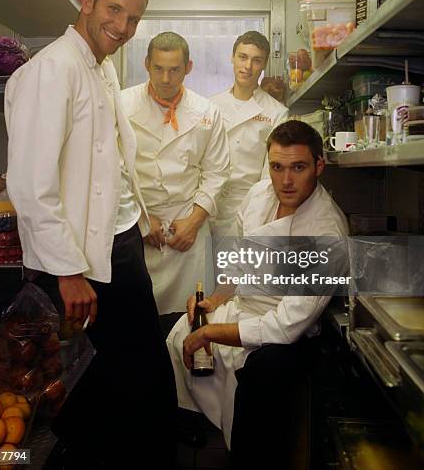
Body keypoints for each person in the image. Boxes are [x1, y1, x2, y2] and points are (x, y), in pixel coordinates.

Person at [5, 0, 177, 469]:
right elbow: (32, 184)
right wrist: (68, 271)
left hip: (117, 246)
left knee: (127, 378)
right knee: (107, 384)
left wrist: (140, 226)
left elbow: (112, 162)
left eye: (133, 18)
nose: (122, 26)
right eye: (114, 9)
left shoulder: (100, 66)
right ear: (87, 1)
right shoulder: (53, 69)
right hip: (80, 263)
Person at [167, 120, 349, 468]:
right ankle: (195, 427)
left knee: (259, 375)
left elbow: (286, 326)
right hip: (245, 304)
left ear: (319, 166)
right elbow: (241, 262)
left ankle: (249, 456)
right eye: (277, 167)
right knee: (178, 333)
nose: (285, 181)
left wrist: (212, 331)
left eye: (298, 167)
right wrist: (214, 301)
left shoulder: (327, 232)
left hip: (291, 334)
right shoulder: (260, 194)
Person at [120, 32, 230, 314]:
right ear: (146, 64)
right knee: (140, 319)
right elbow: (114, 171)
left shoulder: (208, 112)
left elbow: (217, 172)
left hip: (189, 231)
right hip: (139, 227)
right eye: (158, 68)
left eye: (174, 70)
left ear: (188, 68)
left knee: (191, 316)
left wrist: (193, 223)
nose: (166, 78)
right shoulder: (121, 104)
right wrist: (143, 220)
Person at [210, 31, 288, 237]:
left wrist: (256, 216)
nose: (247, 67)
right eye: (242, 57)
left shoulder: (276, 113)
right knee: (205, 268)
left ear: (264, 64)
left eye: (256, 60)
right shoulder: (211, 106)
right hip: (209, 204)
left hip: (248, 206)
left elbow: (269, 174)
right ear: (232, 57)